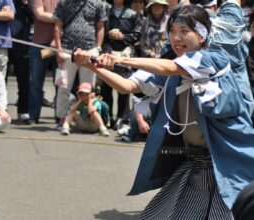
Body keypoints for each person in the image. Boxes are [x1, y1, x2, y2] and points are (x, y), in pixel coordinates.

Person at [73, 5, 254, 218]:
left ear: (203, 35)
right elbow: (127, 86)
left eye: (184, 31)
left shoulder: (215, 59)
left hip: (228, 164)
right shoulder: (169, 67)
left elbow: (172, 67)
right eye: (172, 31)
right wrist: (94, 66)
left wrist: (119, 59)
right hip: (194, 166)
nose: (176, 38)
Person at [53, 0, 108, 130]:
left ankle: (89, 119)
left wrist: (98, 48)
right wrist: (59, 49)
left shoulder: (98, 3)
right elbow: (57, 26)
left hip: (90, 50)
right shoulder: (63, 2)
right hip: (67, 50)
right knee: (63, 87)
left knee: (88, 89)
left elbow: (100, 27)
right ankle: (62, 120)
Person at [101, 0, 142, 130]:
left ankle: (122, 119)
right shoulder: (106, 11)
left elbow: (137, 34)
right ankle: (106, 118)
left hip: (125, 55)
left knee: (123, 88)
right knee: (106, 86)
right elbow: (100, 29)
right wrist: (109, 34)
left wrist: (122, 36)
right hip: (107, 52)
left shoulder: (132, 14)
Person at [8, 0, 34, 124]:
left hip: (21, 45)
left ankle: (23, 112)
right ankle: (1, 111)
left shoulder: (25, 4)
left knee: (24, 80)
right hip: (3, 43)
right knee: (1, 79)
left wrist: (25, 4)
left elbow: (34, 18)